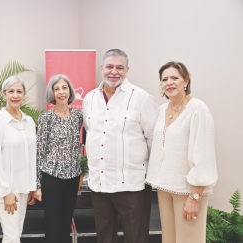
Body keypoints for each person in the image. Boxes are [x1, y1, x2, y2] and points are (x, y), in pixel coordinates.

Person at [82, 49, 159, 243]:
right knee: (104, 237)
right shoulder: (89, 99)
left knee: (136, 237)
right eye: (109, 66)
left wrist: (152, 177)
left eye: (119, 67)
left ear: (127, 69)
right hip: (99, 184)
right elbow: (91, 135)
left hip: (132, 185)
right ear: (102, 68)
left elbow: (154, 141)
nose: (114, 71)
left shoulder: (142, 98)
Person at [145, 61, 218, 243]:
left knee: (189, 240)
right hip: (165, 186)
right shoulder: (162, 110)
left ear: (186, 81)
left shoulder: (197, 109)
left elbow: (204, 155)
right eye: (164, 79)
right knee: (169, 240)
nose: (169, 82)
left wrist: (194, 196)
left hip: (187, 190)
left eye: (174, 78)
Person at [0, 76, 37, 243]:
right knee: (12, 237)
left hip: (23, 188)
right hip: (5, 190)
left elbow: (32, 156)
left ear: (24, 94)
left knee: (16, 234)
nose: (15, 95)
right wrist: (5, 192)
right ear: (4, 94)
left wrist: (31, 187)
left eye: (19, 91)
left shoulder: (29, 122)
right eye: (11, 91)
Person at [34, 74, 83, 243]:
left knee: (66, 223)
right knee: (52, 225)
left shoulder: (78, 116)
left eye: (64, 87)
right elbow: (39, 152)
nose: (61, 92)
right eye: (57, 89)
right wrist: (38, 185)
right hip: (51, 178)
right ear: (52, 94)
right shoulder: (46, 118)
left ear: (70, 91)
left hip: (72, 178)